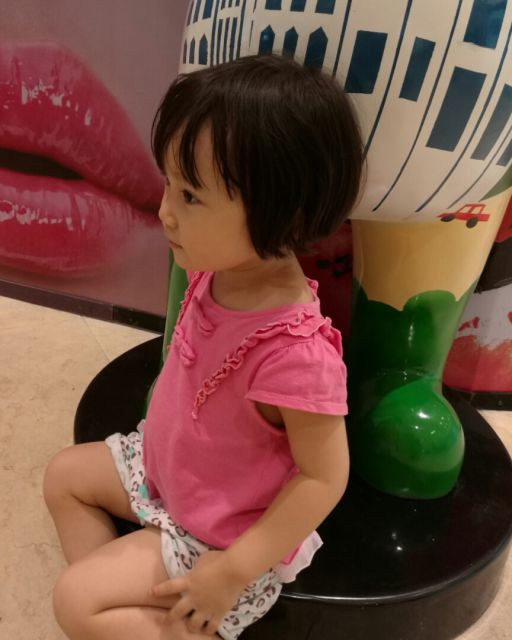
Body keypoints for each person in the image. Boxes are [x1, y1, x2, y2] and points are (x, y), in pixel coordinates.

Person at [43, 54, 365, 640]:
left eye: (190, 196)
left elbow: (324, 478)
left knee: (74, 602)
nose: (165, 210)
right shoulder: (217, 269)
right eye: (170, 183)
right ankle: (135, 597)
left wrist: (233, 570)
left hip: (218, 535)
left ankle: (165, 607)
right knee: (64, 476)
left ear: (282, 212)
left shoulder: (295, 353)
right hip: (165, 476)